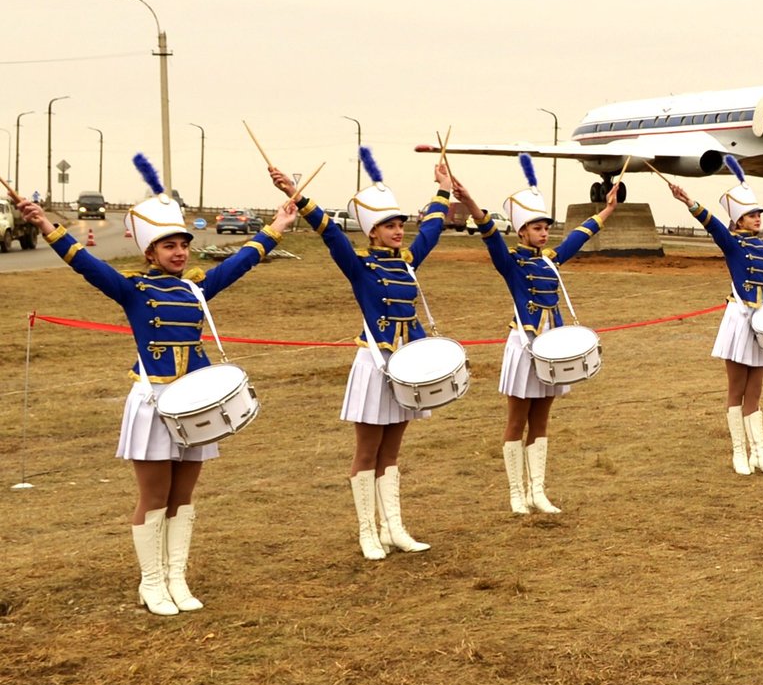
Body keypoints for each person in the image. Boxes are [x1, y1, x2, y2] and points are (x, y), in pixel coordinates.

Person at [20, 155, 294, 614]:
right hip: (155, 399)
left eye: (183, 244)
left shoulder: (196, 288)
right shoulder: (132, 289)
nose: (180, 252)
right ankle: (151, 582)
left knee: (184, 495)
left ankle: (176, 577)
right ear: (150, 252)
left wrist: (279, 225)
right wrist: (46, 223)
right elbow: (84, 262)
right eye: (169, 245)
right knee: (155, 494)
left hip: (199, 400)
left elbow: (243, 260)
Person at [268, 150, 456, 560]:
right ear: (372, 231)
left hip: (408, 366)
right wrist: (295, 194)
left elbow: (432, 230)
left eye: (399, 224)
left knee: (392, 453)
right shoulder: (360, 267)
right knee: (367, 453)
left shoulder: (407, 264)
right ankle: (367, 532)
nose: (398, 231)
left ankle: (394, 528)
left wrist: (443, 187)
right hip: (375, 364)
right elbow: (330, 233)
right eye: (389, 225)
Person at [456, 154, 618, 514]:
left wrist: (607, 210)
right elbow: (489, 234)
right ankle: (516, 493)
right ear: (521, 231)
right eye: (537, 227)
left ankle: (538, 491)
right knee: (517, 420)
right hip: (523, 345)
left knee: (542, 419)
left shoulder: (550, 259)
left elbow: (578, 237)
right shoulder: (510, 262)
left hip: (554, 346)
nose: (544, 232)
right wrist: (468, 200)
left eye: (546, 226)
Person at [666, 157, 763, 477]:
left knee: (756, 392)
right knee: (736, 389)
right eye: (751, 214)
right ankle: (738, 453)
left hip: (762, 324)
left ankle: (759, 455)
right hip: (739, 321)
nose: (757, 218)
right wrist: (689, 201)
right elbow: (712, 224)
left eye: (758, 213)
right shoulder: (733, 244)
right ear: (738, 220)